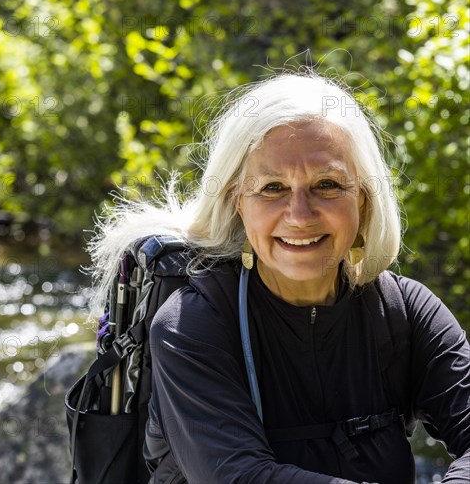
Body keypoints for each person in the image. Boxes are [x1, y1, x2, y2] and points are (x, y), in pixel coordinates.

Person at [89, 73, 469, 483]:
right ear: (238, 203)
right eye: (273, 188)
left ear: (363, 198)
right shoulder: (192, 325)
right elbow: (241, 477)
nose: (300, 215)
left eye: (327, 184)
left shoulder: (406, 311)